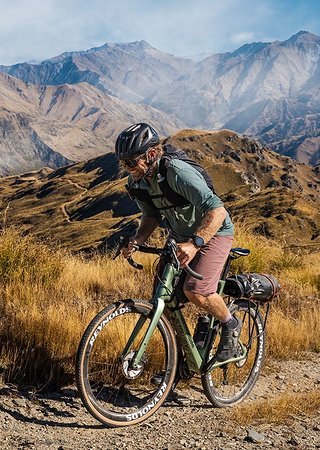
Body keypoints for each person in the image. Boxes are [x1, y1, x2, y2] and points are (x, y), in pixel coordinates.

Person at [115, 123, 241, 362]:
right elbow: (151, 215)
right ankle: (181, 361)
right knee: (164, 297)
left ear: (151, 154)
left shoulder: (177, 172)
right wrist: (137, 240)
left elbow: (217, 211)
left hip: (214, 233)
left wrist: (195, 244)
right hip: (180, 236)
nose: (128, 168)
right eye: (123, 163)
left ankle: (231, 324)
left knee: (196, 290)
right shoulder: (138, 182)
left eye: (131, 162)